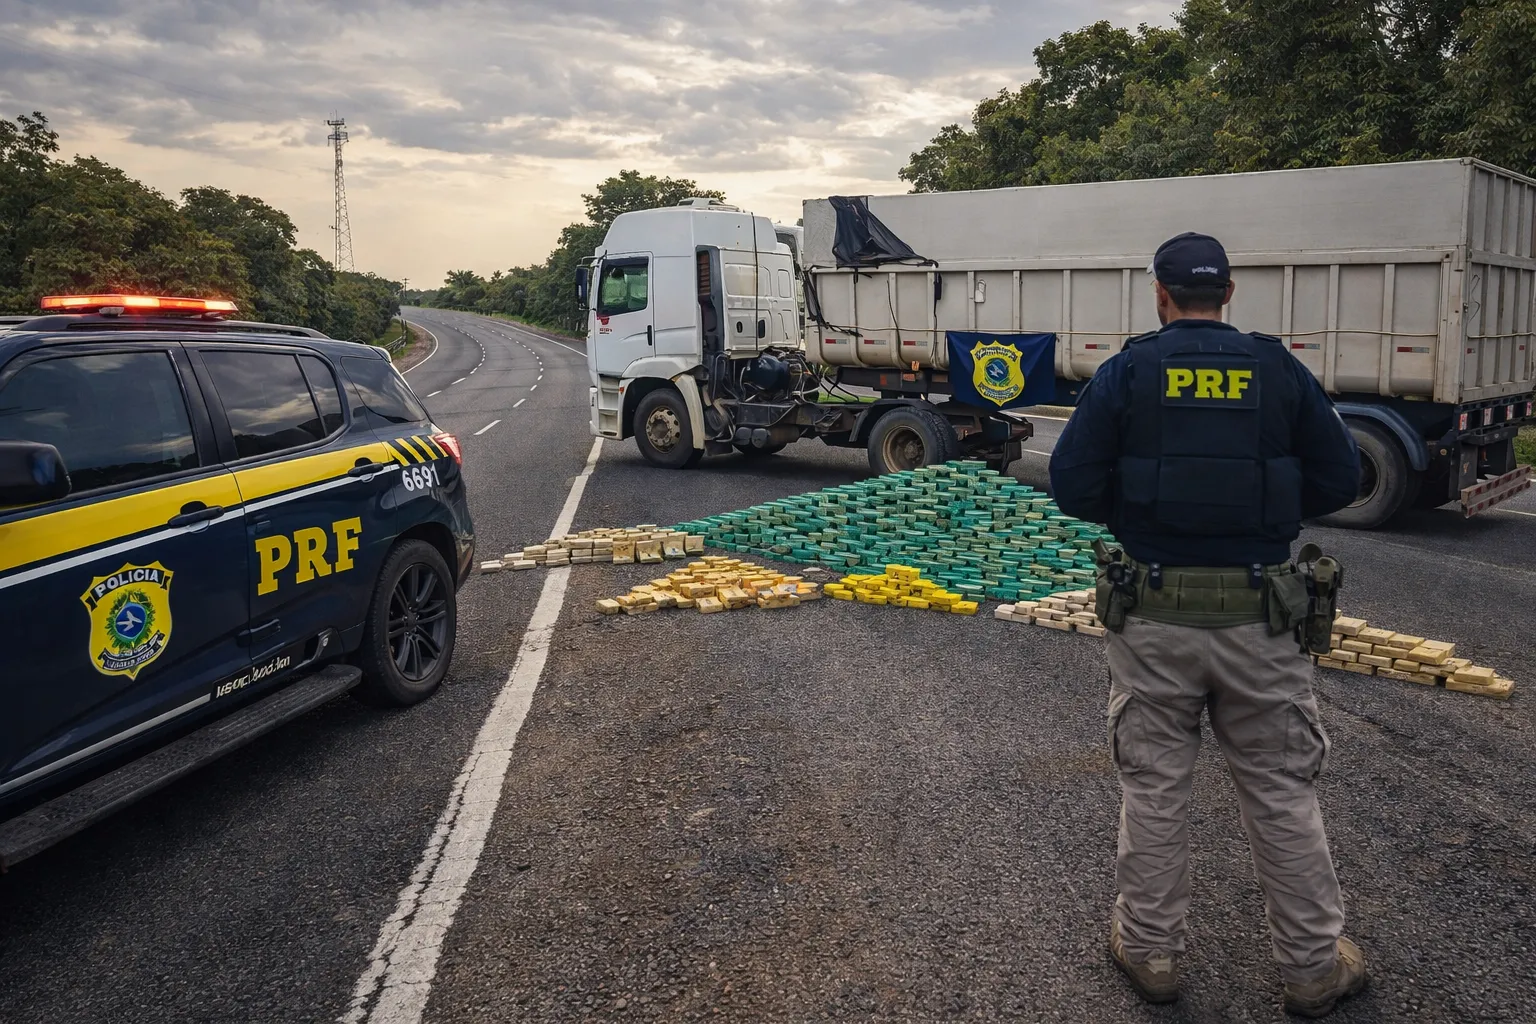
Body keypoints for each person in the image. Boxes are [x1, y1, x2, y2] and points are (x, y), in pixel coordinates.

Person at [1048, 232, 1366, 1018]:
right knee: (1281, 791)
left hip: (1152, 616)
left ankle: (1151, 953)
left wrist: (1140, 512)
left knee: (1155, 787)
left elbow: (1073, 484)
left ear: (1160, 295)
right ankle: (1313, 970)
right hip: (1264, 616)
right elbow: (1341, 477)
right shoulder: (1278, 370)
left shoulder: (1127, 371)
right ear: (1228, 293)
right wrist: (1266, 506)